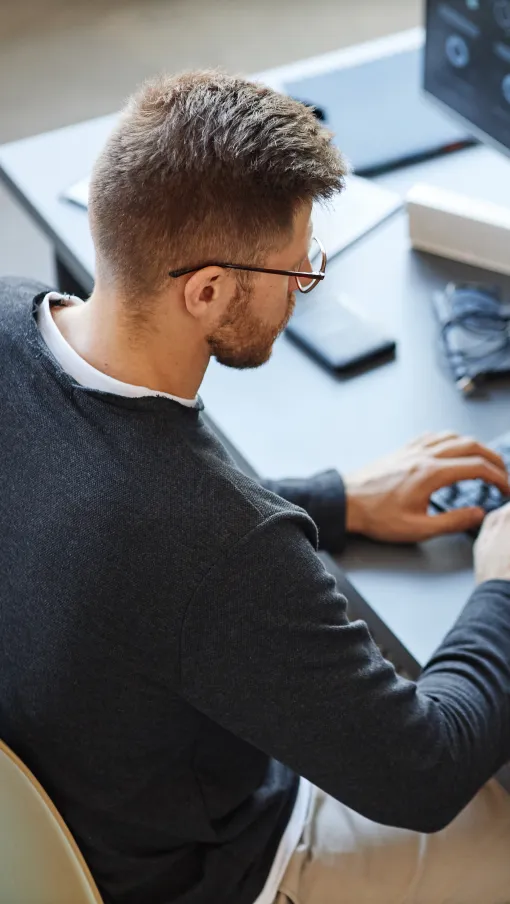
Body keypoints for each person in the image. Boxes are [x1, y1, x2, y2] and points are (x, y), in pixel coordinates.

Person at [2, 71, 510, 904]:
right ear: (206, 291)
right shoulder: (224, 551)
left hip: (77, 802)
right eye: (295, 270)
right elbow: (426, 772)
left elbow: (105, 499)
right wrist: (501, 585)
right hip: (209, 869)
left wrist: (337, 498)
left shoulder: (11, 317)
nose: (300, 288)